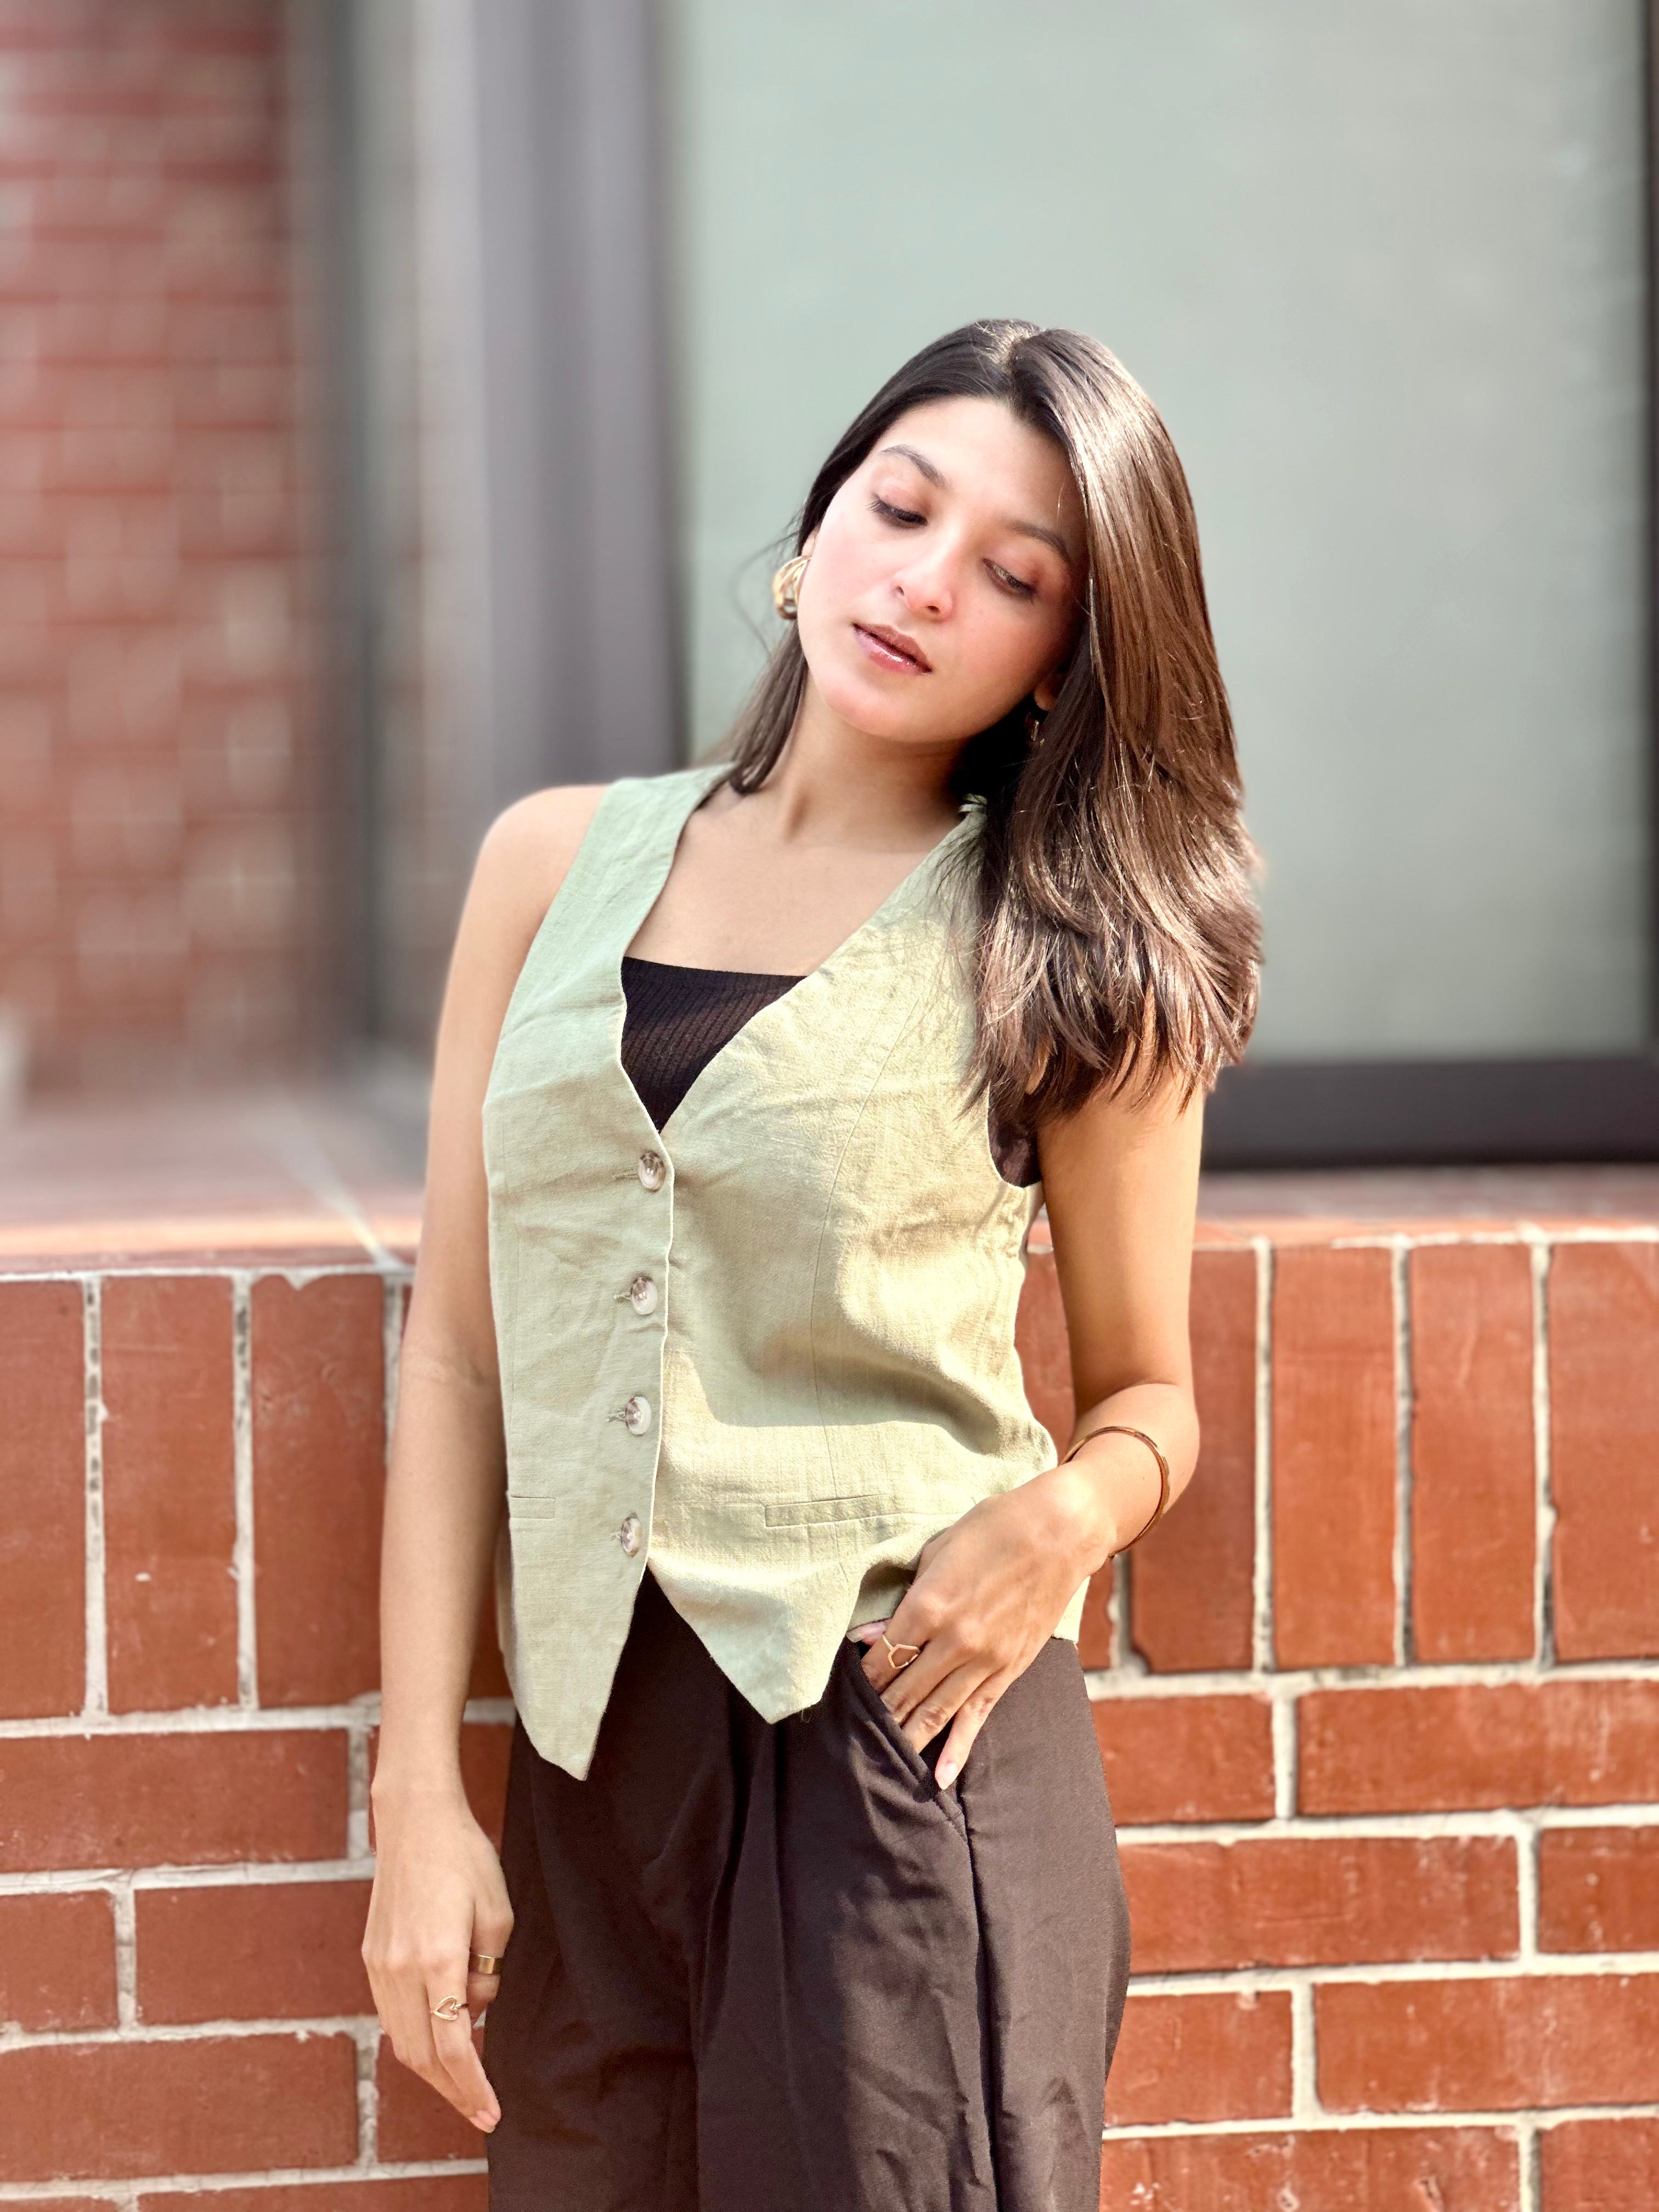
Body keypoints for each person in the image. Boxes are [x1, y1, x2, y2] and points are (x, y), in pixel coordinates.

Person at [363, 318, 1260, 2211]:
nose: (925, 581)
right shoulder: (549, 864)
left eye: (1012, 575)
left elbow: (1152, 1398)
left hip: (897, 1747)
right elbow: (461, 1347)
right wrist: (419, 1796)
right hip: (599, 1759)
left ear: (1062, 660)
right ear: (816, 525)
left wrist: (1062, 1521)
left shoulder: (1069, 940)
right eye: (901, 507)